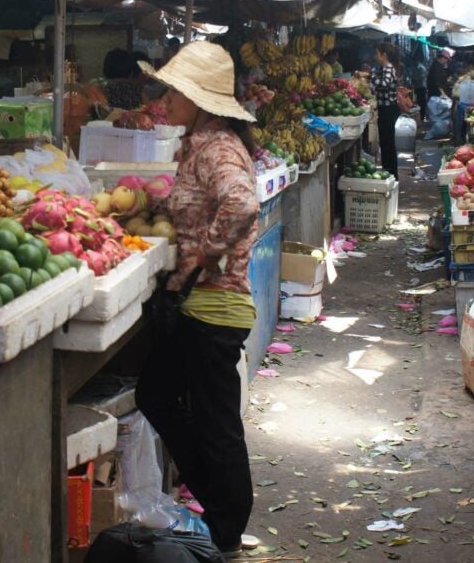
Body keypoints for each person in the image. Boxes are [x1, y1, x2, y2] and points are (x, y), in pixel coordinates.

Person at [135, 41, 260, 558]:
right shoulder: (198, 145)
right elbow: (202, 201)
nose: (165, 98)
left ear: (197, 98)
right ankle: (220, 509)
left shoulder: (217, 147)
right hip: (199, 306)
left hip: (214, 305)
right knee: (163, 398)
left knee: (212, 421)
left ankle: (227, 527)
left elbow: (242, 202)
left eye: (173, 90)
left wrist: (207, 253)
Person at [371, 42, 401, 178]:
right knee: (386, 142)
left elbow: (384, 84)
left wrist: (370, 77)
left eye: (377, 54)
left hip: (388, 110)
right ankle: (389, 171)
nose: (376, 57)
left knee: (388, 143)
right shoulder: (384, 68)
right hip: (386, 109)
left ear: (384, 55)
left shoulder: (388, 67)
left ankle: (391, 173)